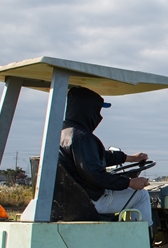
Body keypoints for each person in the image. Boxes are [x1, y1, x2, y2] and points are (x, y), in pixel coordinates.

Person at [57, 86, 152, 226]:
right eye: (98, 110)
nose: (99, 116)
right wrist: (130, 183)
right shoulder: (82, 137)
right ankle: (144, 244)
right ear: (88, 110)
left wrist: (131, 158)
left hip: (73, 197)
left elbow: (97, 157)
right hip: (90, 200)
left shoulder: (64, 132)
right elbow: (96, 175)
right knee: (141, 195)